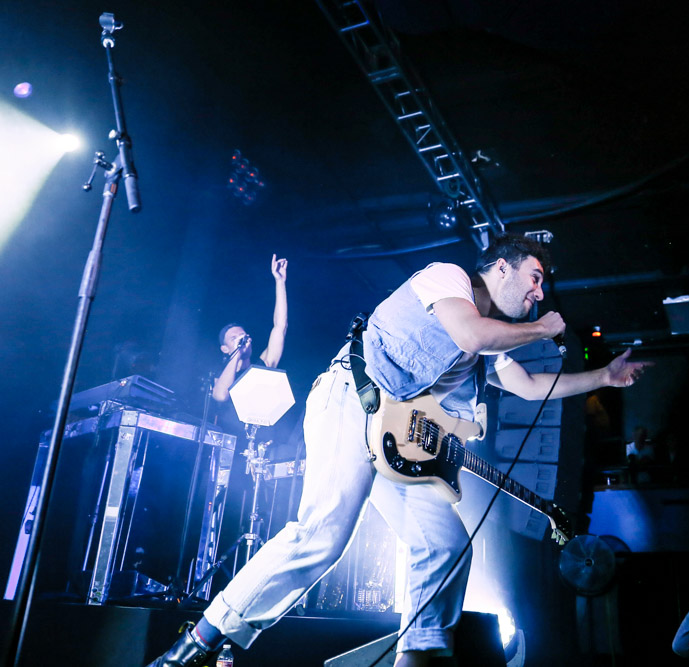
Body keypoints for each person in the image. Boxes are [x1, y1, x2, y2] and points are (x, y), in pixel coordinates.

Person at [146, 234, 653, 666]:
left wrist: (604, 376)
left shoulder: (495, 339)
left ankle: (418, 656)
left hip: (395, 434)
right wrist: (542, 329)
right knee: (323, 535)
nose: (540, 292)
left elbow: (524, 384)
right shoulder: (449, 278)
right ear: (502, 267)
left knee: (447, 545)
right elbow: (471, 334)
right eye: (535, 277)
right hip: (351, 397)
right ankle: (198, 643)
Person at [213, 254, 289, 404]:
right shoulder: (219, 373)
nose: (241, 340)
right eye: (233, 339)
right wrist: (237, 352)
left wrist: (280, 282)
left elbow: (280, 327)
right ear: (224, 348)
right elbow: (221, 396)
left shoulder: (262, 365)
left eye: (243, 336)